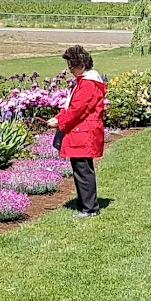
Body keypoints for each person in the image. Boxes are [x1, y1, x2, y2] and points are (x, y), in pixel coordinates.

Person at [46, 46, 107, 218]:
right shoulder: (85, 82)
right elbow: (72, 108)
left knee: (83, 170)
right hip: (82, 131)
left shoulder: (88, 84)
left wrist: (60, 121)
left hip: (83, 133)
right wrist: (59, 117)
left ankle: (89, 208)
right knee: (81, 169)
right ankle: (86, 205)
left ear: (81, 64)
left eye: (71, 66)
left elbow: (77, 109)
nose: (70, 69)